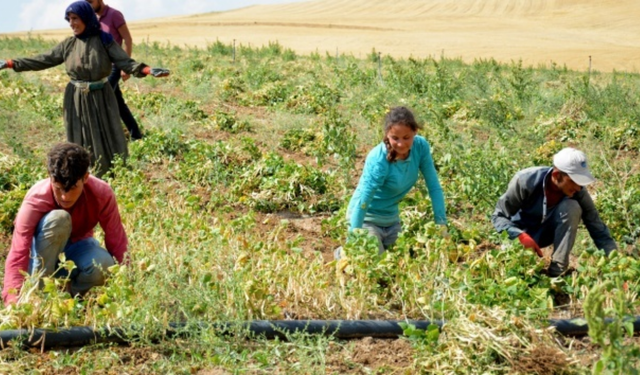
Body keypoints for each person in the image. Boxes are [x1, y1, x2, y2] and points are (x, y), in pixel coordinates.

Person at [0, 1, 169, 177]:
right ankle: (81, 173)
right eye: (69, 19)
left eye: (75, 18)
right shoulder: (68, 45)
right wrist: (11, 63)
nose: (72, 23)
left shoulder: (104, 41)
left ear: (86, 18)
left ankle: (113, 172)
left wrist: (147, 70)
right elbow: (43, 59)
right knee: (79, 134)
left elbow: (125, 62)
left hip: (101, 96)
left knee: (107, 131)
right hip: (76, 98)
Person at [2, 143, 128, 305]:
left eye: (73, 188)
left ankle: (68, 299)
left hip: (78, 249)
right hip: (40, 257)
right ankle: (39, 296)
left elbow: (117, 241)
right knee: (59, 219)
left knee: (104, 265)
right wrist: (12, 301)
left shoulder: (101, 194)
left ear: (86, 178)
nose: (64, 197)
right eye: (59, 188)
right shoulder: (36, 199)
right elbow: (18, 252)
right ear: (50, 177)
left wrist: (128, 285)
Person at [334, 106, 447, 259]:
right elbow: (363, 200)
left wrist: (441, 224)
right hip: (365, 219)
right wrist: (354, 235)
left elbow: (433, 187)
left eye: (406, 138)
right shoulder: (378, 159)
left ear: (415, 132)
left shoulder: (420, 148)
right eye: (395, 138)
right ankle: (341, 253)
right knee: (379, 267)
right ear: (387, 135)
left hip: (391, 220)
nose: (401, 144)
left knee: (402, 263)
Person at [492, 147, 617, 277]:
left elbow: (597, 227)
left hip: (545, 234)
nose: (579, 187)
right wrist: (520, 236)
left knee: (572, 207)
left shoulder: (579, 192)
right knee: (515, 272)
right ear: (557, 175)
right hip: (519, 236)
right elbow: (498, 216)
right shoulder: (525, 181)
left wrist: (616, 264)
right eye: (574, 181)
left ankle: (557, 272)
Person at [88, 0, 144, 140]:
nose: (89, 5)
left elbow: (127, 39)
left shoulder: (114, 15)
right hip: (101, 68)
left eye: (90, 1)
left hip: (114, 67)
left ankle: (105, 138)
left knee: (101, 99)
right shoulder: (92, 17)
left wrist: (126, 66)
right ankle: (136, 135)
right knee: (118, 103)